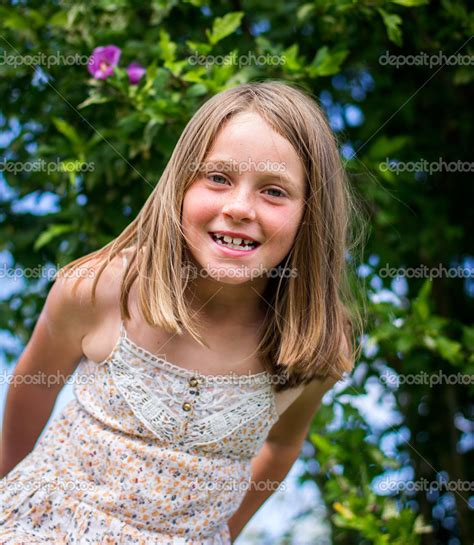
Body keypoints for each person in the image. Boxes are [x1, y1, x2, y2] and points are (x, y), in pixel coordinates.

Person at [0, 80, 363, 544]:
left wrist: (220, 533)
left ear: (311, 215)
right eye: (217, 178)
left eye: (273, 191)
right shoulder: (104, 289)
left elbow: (282, 444)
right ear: (180, 184)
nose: (238, 207)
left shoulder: (315, 349)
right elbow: (33, 386)